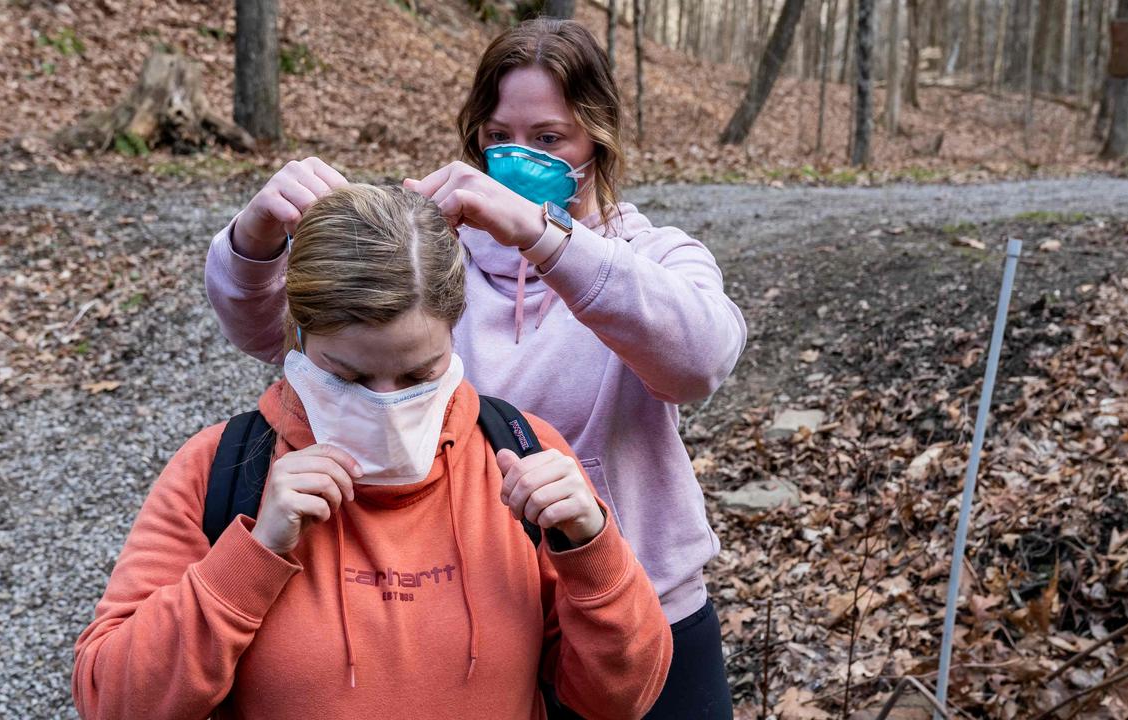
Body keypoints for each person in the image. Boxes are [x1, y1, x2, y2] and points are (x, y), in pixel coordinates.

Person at [204, 19, 745, 717]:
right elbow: (277, 337)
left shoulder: (655, 258)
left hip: (644, 609)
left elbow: (700, 362)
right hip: (487, 622)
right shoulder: (441, 265)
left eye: (549, 139)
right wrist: (254, 237)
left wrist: (542, 236)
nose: (519, 155)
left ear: (597, 139)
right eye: (499, 137)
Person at [73, 185, 672, 720]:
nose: (388, 402)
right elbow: (112, 700)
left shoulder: (519, 450)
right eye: (351, 376)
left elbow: (623, 698)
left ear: (455, 332)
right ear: (300, 336)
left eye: (418, 373)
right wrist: (253, 556)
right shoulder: (224, 468)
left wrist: (592, 549)